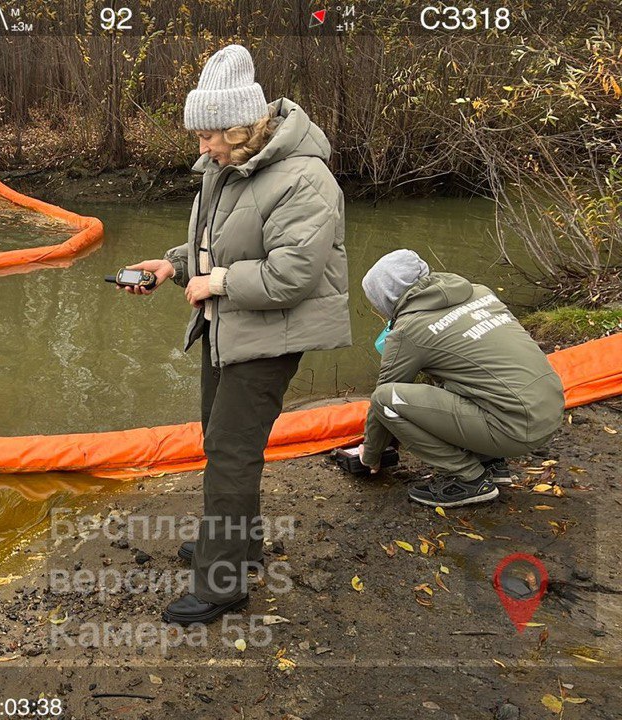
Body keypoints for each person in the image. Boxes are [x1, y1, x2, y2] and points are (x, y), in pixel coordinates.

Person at [122, 44, 350, 626]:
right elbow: (214, 241)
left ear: (243, 125)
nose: (201, 149)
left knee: (229, 451)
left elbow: (293, 275)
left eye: (209, 136)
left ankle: (223, 585)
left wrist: (218, 282)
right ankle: (239, 547)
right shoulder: (225, 168)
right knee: (221, 441)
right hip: (226, 326)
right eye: (199, 137)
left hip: (270, 335)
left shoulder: (305, 179)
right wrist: (173, 266)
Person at [357, 249, 565, 507]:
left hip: (516, 428)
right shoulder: (479, 292)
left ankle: (469, 479)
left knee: (385, 399)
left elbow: (383, 401)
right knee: (458, 372)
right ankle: (490, 460)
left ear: (386, 299)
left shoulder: (409, 330)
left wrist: (371, 454)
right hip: (552, 408)